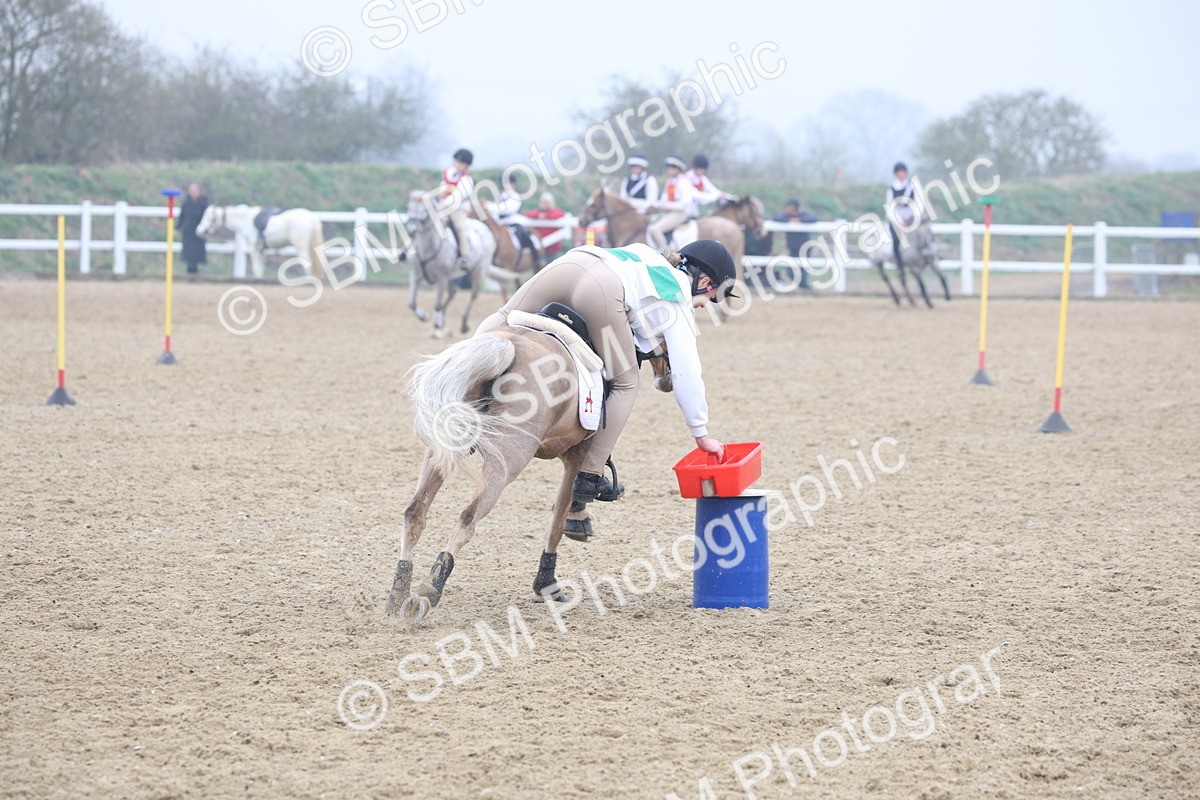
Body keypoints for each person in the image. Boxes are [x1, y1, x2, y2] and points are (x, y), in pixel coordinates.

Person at [476, 239, 737, 505]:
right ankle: (590, 475)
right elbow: (687, 371)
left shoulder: (649, 256)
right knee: (626, 383)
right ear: (704, 282)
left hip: (572, 263)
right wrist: (700, 433)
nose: (702, 306)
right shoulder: (678, 296)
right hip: (602, 287)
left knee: (502, 316)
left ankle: (463, 395)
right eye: (708, 300)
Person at [487, 175, 543, 268]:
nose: (507, 185)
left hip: (513, 221)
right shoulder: (499, 197)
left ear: (513, 184)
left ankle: (536, 258)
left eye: (509, 183)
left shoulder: (515, 196)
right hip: (500, 222)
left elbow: (507, 209)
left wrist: (490, 207)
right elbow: (494, 210)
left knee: (523, 233)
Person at [437, 148, 476, 268]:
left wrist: (445, 203)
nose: (458, 165)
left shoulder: (467, 179)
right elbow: (443, 187)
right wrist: (441, 197)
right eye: (457, 162)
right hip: (443, 207)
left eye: (462, 163)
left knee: (460, 228)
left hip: (458, 209)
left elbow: (458, 195)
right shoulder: (448, 173)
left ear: (467, 165)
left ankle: (464, 255)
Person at [646, 156, 696, 251]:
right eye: (669, 167)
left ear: (679, 169)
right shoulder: (669, 182)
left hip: (680, 214)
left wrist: (668, 207)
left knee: (655, 229)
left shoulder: (683, 182)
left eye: (673, 167)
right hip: (670, 213)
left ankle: (666, 253)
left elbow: (686, 203)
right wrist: (654, 205)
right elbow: (664, 201)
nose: (669, 170)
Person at [773, 198, 819, 289]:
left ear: (796, 209)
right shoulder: (786, 217)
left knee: (803, 269)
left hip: (805, 247)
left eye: (790, 208)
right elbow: (776, 218)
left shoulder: (803, 215)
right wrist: (790, 220)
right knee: (790, 270)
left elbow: (813, 219)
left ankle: (804, 287)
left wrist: (799, 220)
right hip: (793, 248)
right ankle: (801, 286)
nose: (788, 210)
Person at [885, 162, 918, 270]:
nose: (901, 174)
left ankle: (929, 254)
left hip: (911, 215)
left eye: (903, 172)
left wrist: (914, 216)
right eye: (899, 172)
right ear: (896, 174)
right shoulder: (892, 188)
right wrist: (899, 220)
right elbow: (891, 206)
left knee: (924, 231)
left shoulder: (911, 186)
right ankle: (898, 261)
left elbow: (916, 202)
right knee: (895, 238)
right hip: (897, 217)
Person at [177, 182, 209, 275]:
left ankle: (195, 271)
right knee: (188, 254)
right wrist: (178, 228)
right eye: (192, 190)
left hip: (199, 232)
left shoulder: (204, 203)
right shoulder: (186, 203)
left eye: (195, 190)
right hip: (188, 232)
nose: (193, 192)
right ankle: (190, 271)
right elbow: (182, 217)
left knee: (197, 253)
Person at [525, 192, 567, 258]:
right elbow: (528, 215)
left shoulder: (555, 211)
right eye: (542, 202)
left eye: (546, 202)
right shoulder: (537, 212)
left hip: (552, 247)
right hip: (539, 248)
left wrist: (545, 215)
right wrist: (539, 215)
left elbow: (560, 214)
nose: (544, 204)